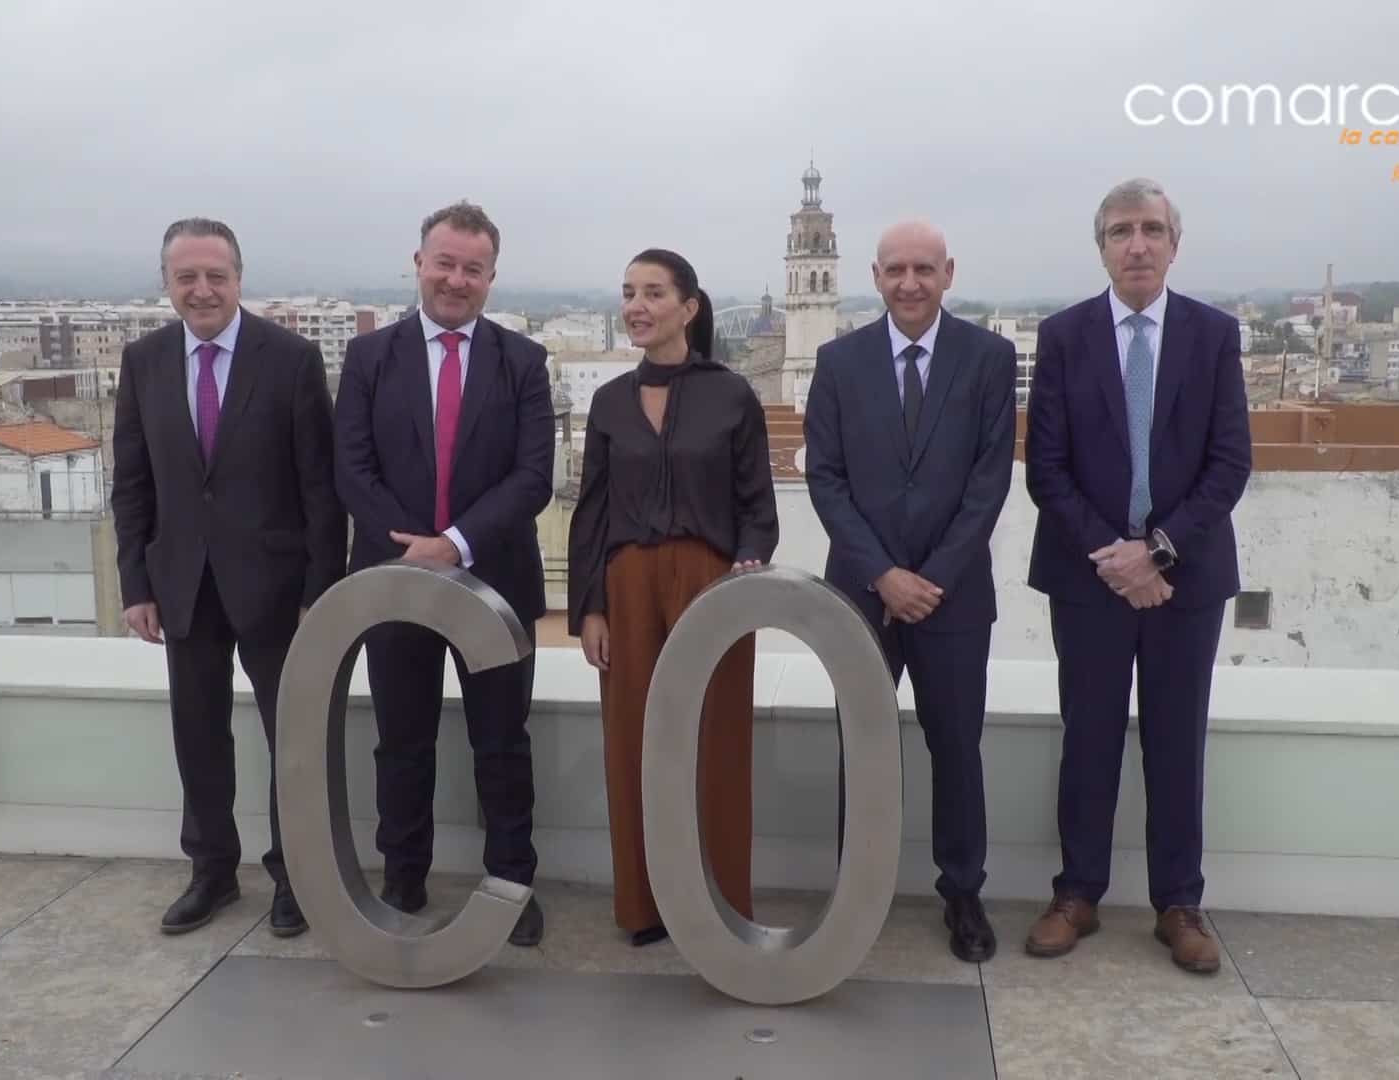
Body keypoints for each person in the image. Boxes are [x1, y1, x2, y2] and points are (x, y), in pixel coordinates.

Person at [1022, 178, 1252, 974]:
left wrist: (1155, 550)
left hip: (1185, 580)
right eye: (1122, 231)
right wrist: (1116, 558)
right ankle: (1076, 895)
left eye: (1152, 229)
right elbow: (1046, 471)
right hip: (1089, 578)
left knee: (1176, 739)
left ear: (1174, 244)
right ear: (1102, 247)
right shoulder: (1063, 336)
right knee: (1086, 736)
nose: (1138, 244)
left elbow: (1230, 464)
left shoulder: (1214, 334)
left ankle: (1178, 904)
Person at [112, 217, 346, 938]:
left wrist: (320, 590)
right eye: (187, 277)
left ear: (240, 280)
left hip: (276, 586)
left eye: (216, 275)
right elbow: (133, 482)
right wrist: (135, 585)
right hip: (182, 583)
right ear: (167, 285)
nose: (203, 289)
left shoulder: (291, 359)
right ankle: (212, 872)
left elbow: (321, 489)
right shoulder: (143, 360)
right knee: (198, 735)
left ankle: (294, 878)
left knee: (292, 740)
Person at [333, 201, 554, 947]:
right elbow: (351, 469)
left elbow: (533, 479)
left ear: (492, 276)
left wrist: (453, 543)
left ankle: (511, 883)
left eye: (473, 268)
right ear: (419, 262)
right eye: (445, 262)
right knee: (402, 738)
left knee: (502, 741)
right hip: (391, 580)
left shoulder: (523, 363)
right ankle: (403, 875)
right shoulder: (369, 359)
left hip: (495, 583)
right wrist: (413, 546)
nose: (456, 279)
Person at [803, 220, 1019, 963]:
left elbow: (991, 481)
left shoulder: (989, 358)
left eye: (924, 268)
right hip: (862, 596)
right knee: (860, 745)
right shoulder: (838, 362)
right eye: (895, 269)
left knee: (956, 746)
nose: (909, 283)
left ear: (948, 273)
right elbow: (825, 479)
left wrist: (931, 579)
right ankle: (853, 895)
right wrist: (884, 574)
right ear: (875, 275)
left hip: (953, 597)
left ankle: (963, 892)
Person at [568, 248, 777, 946]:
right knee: (632, 742)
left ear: (688, 307)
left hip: (713, 585)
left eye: (653, 292)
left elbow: (757, 504)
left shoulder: (731, 394)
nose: (637, 305)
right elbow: (590, 513)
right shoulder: (607, 401)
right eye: (628, 291)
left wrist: (748, 567)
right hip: (626, 587)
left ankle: (719, 903)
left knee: (718, 742)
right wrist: (590, 607)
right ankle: (644, 906)